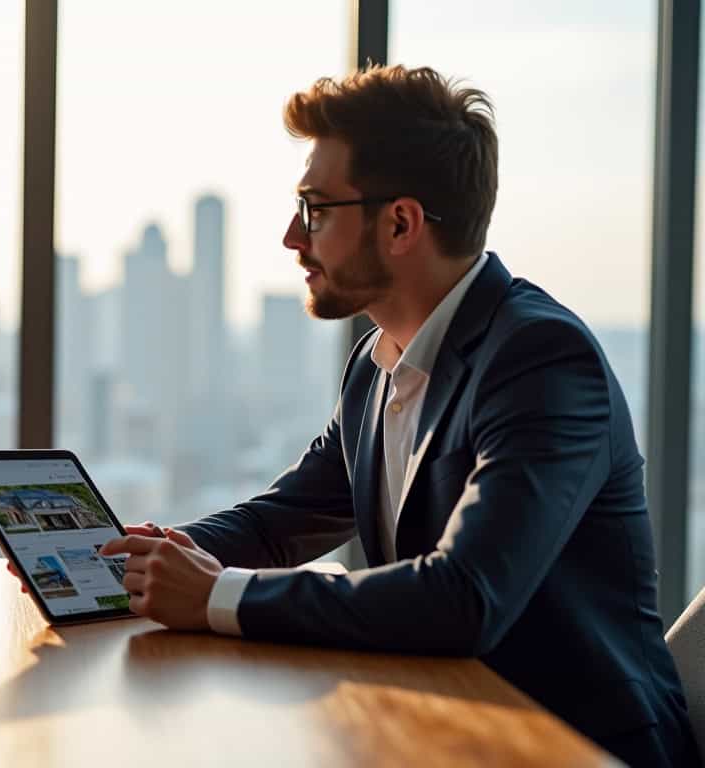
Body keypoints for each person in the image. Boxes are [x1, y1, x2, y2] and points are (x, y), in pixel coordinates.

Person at [97, 65, 699, 766]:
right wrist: (123, 560)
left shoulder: (541, 359)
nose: (294, 236)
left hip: (572, 748)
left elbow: (464, 597)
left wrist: (218, 596)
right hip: (445, 733)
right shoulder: (376, 363)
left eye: (316, 208)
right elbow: (279, 521)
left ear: (402, 222)